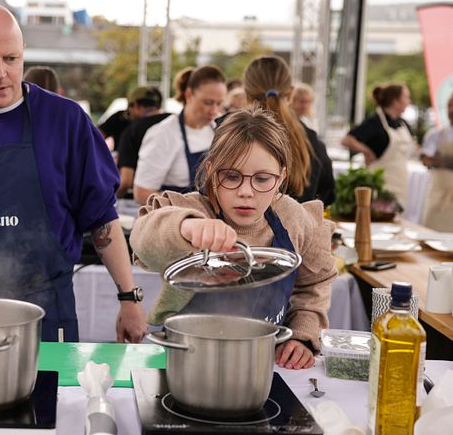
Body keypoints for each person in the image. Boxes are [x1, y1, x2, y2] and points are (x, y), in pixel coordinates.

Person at [0, 2, 147, 343]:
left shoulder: (66, 121)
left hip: (47, 311)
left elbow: (101, 219)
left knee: (47, 397)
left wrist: (129, 298)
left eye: (11, 58)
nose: (1, 73)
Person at [130, 108, 337, 369]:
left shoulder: (292, 217)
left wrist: (303, 334)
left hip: (264, 361)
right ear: (210, 171)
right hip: (184, 357)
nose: (246, 192)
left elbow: (314, 283)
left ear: (281, 177)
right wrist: (187, 227)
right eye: (230, 176)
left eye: (262, 179)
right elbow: (144, 237)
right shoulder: (191, 209)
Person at [245, 56, 335, 206]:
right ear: (291, 93)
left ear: (246, 92)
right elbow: (328, 194)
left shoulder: (228, 133)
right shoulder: (310, 140)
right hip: (298, 227)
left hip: (236, 229)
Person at [133, 65, 226, 204]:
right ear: (189, 95)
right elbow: (142, 193)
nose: (214, 110)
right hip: (176, 218)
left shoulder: (219, 130)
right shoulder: (163, 134)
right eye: (208, 103)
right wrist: (187, 205)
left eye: (219, 103)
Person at [341, 82, 414, 209]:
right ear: (395, 101)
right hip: (380, 184)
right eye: (406, 97)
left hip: (400, 182)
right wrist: (366, 151)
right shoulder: (375, 122)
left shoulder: (403, 123)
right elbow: (347, 140)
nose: (409, 101)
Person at [116, 86, 168, 198]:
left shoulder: (131, 132)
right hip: (184, 196)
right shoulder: (176, 122)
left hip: (148, 199)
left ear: (136, 105)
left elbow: (126, 181)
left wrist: (112, 197)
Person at [420, 95, 453, 231]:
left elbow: (433, 160)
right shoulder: (435, 135)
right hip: (437, 197)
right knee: (429, 235)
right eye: (449, 106)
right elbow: (426, 160)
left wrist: (440, 160)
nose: (451, 110)